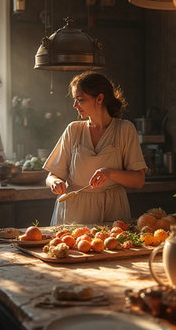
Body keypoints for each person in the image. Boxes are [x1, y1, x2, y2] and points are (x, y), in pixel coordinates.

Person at [44, 71, 147, 226]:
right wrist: (54, 183)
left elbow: (138, 180)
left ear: (99, 98)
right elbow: (52, 176)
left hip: (112, 210)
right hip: (74, 213)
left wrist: (110, 173)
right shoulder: (73, 130)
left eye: (80, 100)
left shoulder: (124, 130)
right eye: (74, 100)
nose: (75, 105)